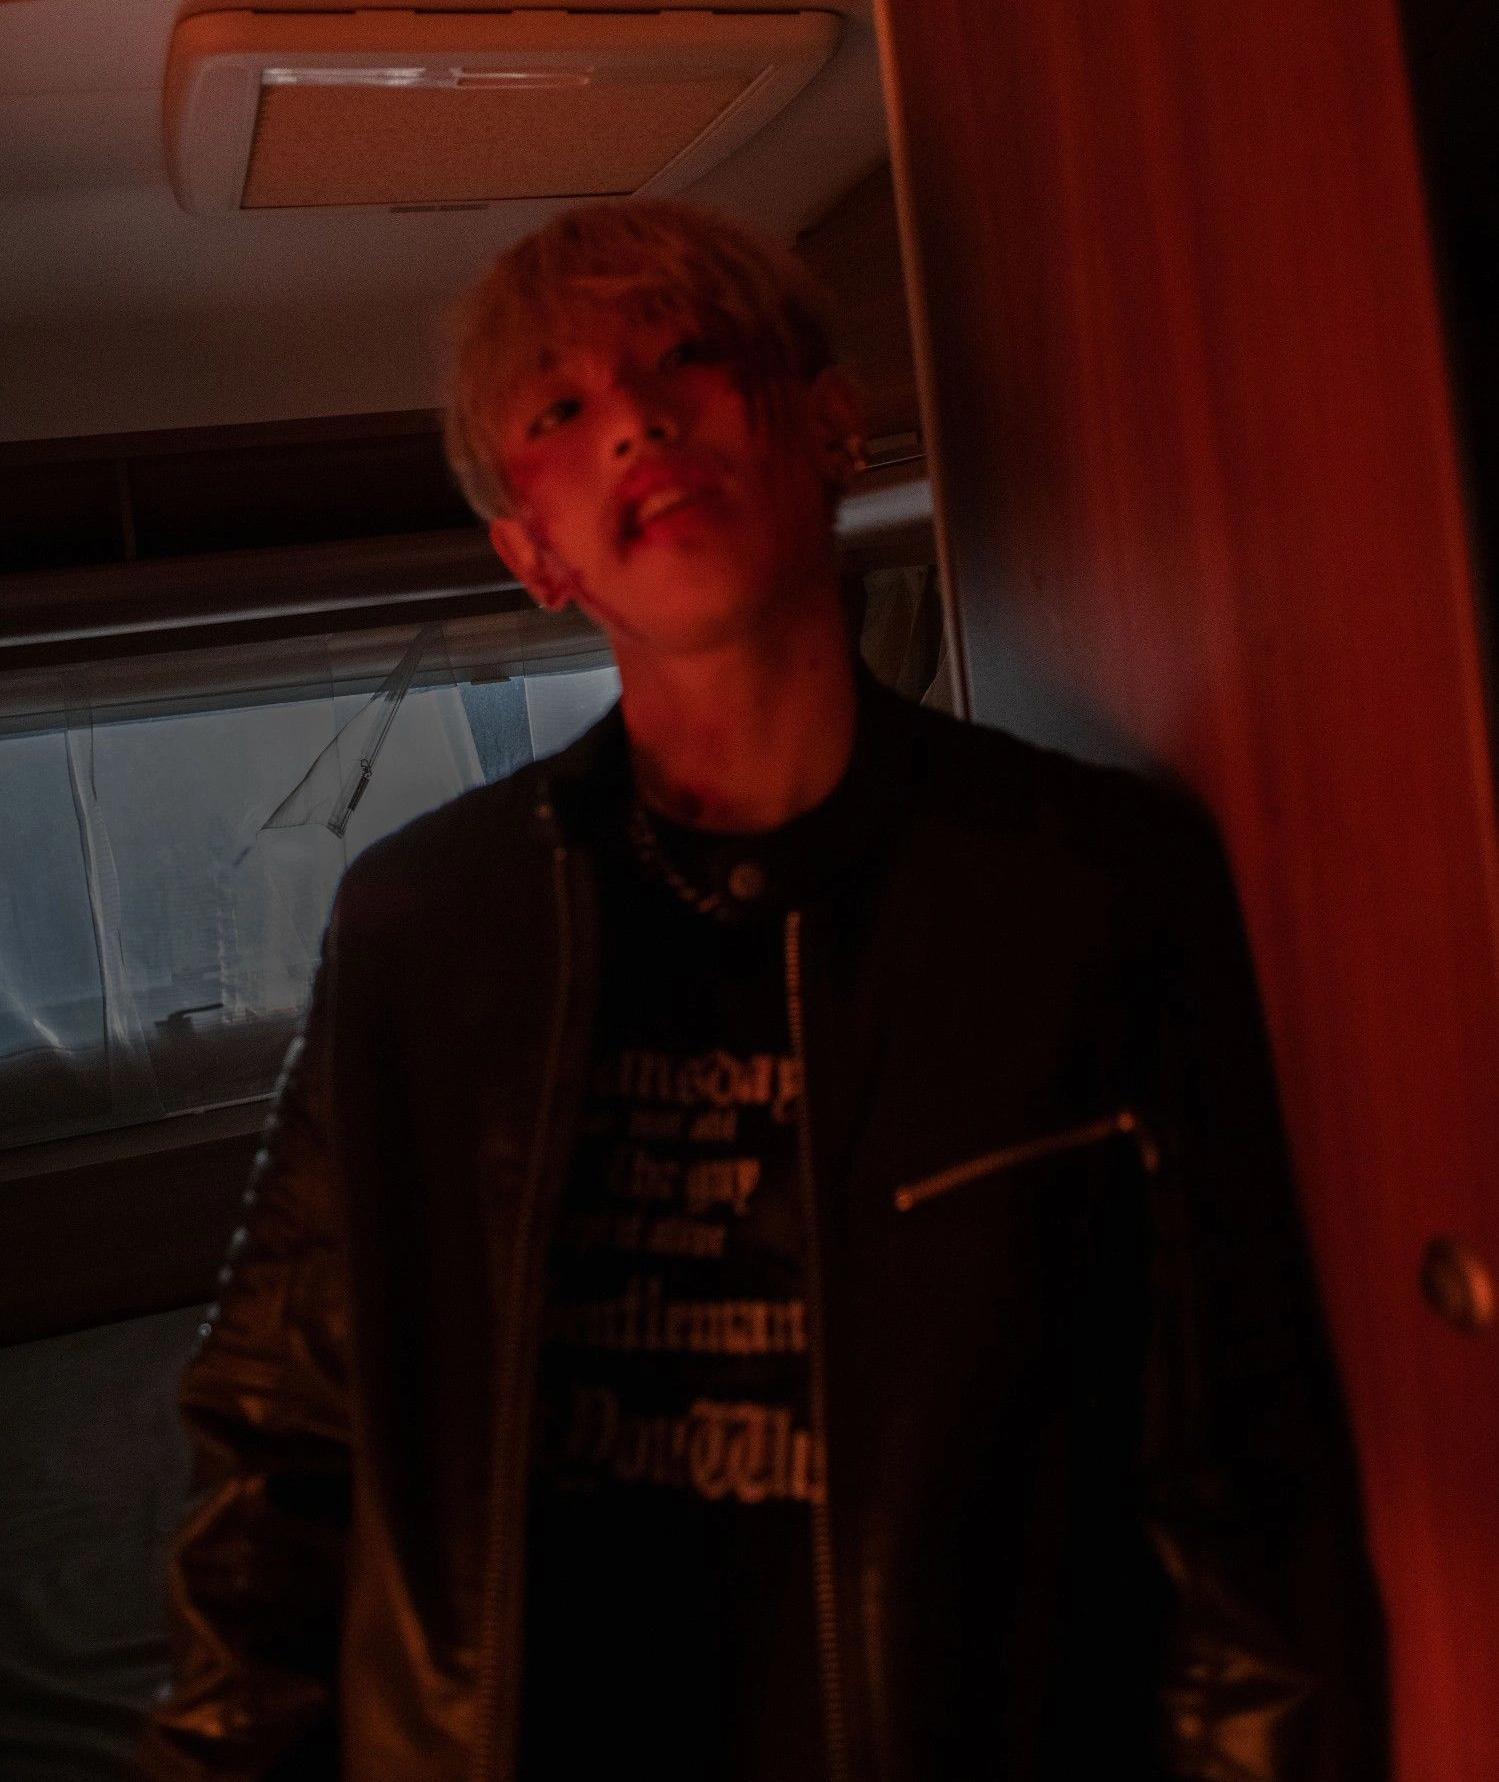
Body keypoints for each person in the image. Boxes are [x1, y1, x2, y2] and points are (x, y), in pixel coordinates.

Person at [140, 200, 1387, 1781]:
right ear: (531, 554)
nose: (636, 420)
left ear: (829, 423)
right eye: (558, 409)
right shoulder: (415, 926)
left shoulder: (1095, 886)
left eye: (686, 357)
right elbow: (274, 1453)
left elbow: (1241, 1493)